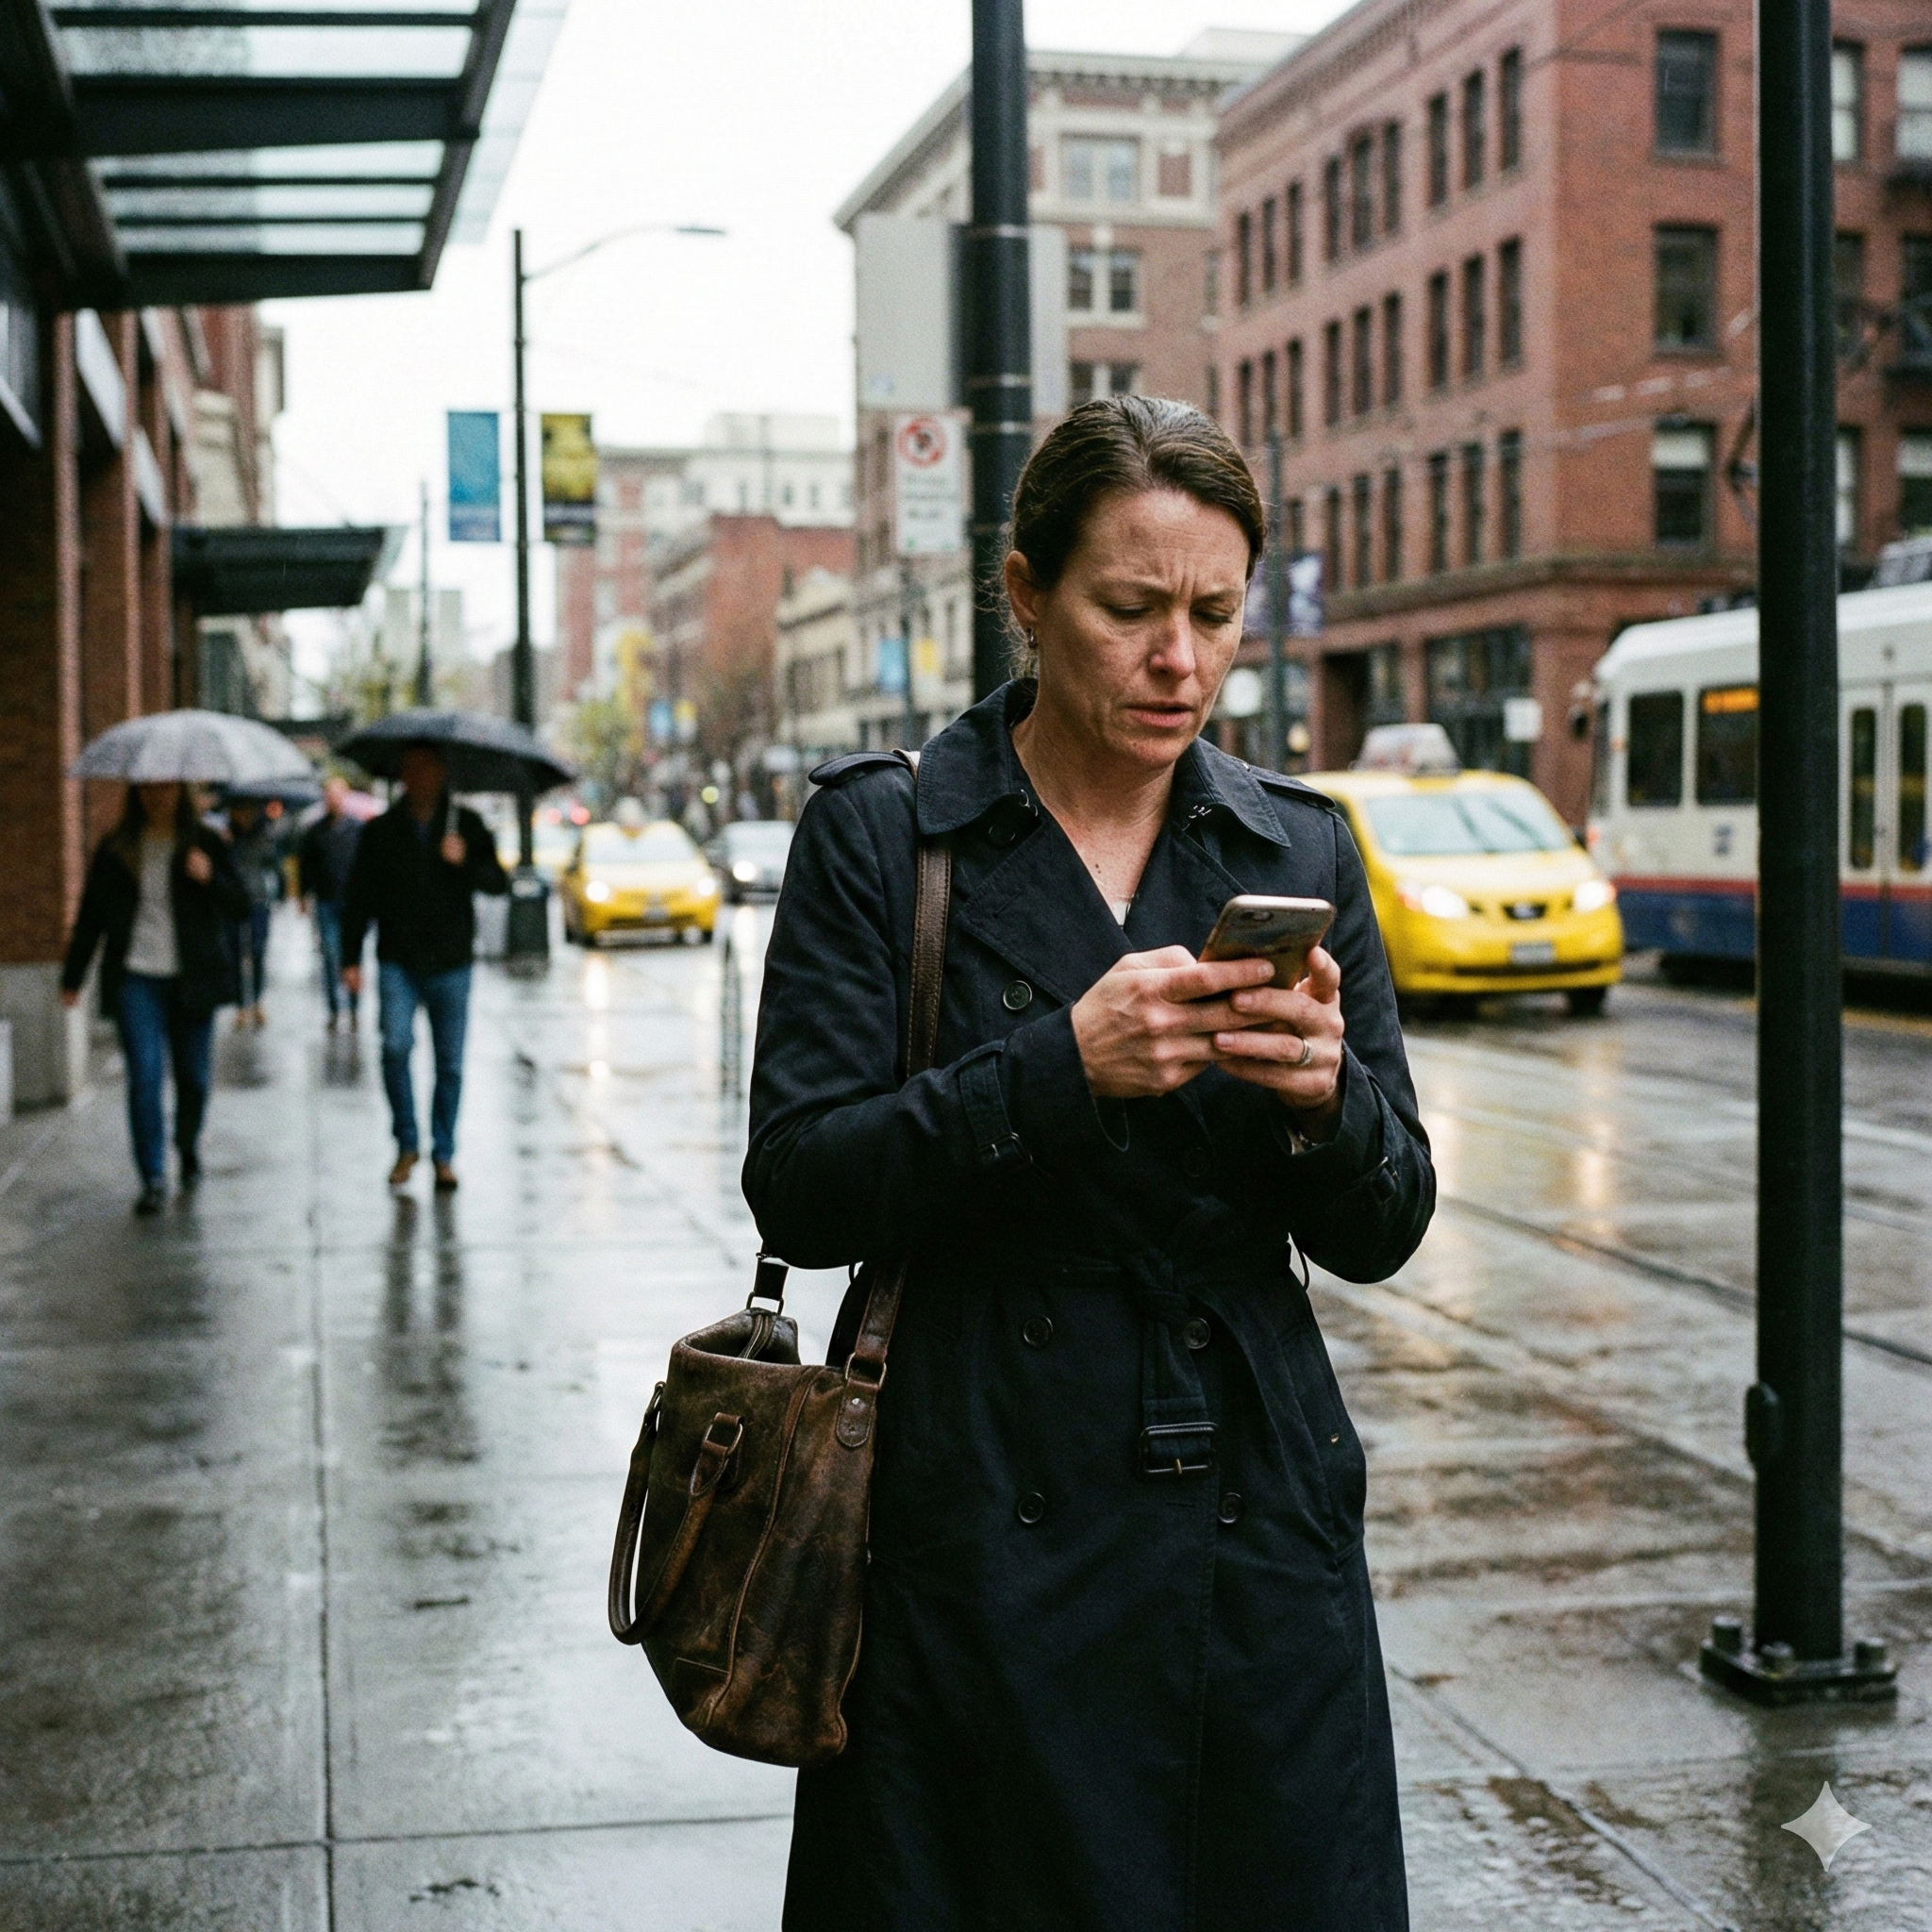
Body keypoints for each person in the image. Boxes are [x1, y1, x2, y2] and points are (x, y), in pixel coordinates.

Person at [746, 395, 1435, 1929]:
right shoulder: (888, 839)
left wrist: (1325, 1104)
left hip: (1248, 1510)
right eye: (1128, 609)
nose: (1176, 659)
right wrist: (1059, 1068)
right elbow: (797, 1176)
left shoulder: (1294, 849)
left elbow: (1388, 1221)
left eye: (1211, 613)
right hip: (978, 1498)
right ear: (1023, 594)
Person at [61, 782, 248, 1214]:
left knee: (195, 1079)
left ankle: (186, 1147)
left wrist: (210, 877)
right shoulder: (117, 847)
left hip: (191, 979)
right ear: (137, 792)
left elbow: (240, 904)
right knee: (144, 1076)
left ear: (178, 790)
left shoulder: (205, 841)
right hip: (136, 978)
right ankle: (153, 1176)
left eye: (165, 786)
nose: (156, 794)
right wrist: (73, 976)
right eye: (148, 786)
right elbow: (92, 913)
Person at [341, 743, 507, 1191]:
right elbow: (360, 896)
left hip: (452, 961)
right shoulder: (382, 830)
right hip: (399, 959)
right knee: (395, 1046)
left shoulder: (465, 825)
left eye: (428, 768)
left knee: (449, 1063)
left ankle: (444, 1152)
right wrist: (350, 956)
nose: (420, 778)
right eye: (411, 769)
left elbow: (498, 882)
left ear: (442, 772)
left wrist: (465, 860)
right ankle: (407, 1142)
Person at [298, 776, 364, 1030]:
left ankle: (354, 1007)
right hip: (326, 900)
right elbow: (306, 867)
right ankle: (335, 1010)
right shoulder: (315, 832)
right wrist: (303, 896)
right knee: (330, 955)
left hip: (352, 903)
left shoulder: (357, 829)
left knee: (353, 957)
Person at [226, 798, 280, 1028]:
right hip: (234, 900)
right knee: (236, 953)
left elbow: (273, 863)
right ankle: (241, 1006)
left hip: (259, 899)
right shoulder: (227, 835)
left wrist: (268, 841)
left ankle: (257, 1001)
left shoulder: (264, 832)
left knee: (257, 951)